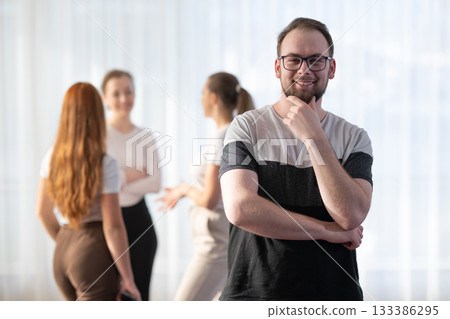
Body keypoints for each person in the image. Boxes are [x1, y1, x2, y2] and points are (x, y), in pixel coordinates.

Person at [218, 17, 373, 301]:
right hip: (255, 295)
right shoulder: (246, 127)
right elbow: (240, 208)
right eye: (293, 60)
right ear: (278, 67)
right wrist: (327, 231)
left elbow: (350, 214)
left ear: (332, 68)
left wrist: (314, 136)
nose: (305, 69)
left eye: (316, 60)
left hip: (334, 296)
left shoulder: (354, 137)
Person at [36, 82, 141, 301]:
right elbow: (113, 227)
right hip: (92, 251)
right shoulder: (105, 163)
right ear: (97, 113)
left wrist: (69, 244)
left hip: (62, 252)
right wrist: (129, 279)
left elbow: (43, 213)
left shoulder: (51, 157)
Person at [157, 72, 254, 300]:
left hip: (214, 244)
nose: (200, 99)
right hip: (221, 238)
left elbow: (210, 199)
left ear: (213, 98)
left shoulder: (222, 136)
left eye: (202, 93)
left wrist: (184, 190)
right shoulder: (231, 132)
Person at [102, 70, 161, 301]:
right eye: (116, 93)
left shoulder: (145, 136)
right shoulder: (98, 135)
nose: (124, 98)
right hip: (106, 222)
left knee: (138, 296)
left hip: (140, 224)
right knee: (107, 296)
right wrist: (136, 175)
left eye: (128, 92)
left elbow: (155, 183)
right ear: (104, 99)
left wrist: (117, 180)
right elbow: (97, 182)